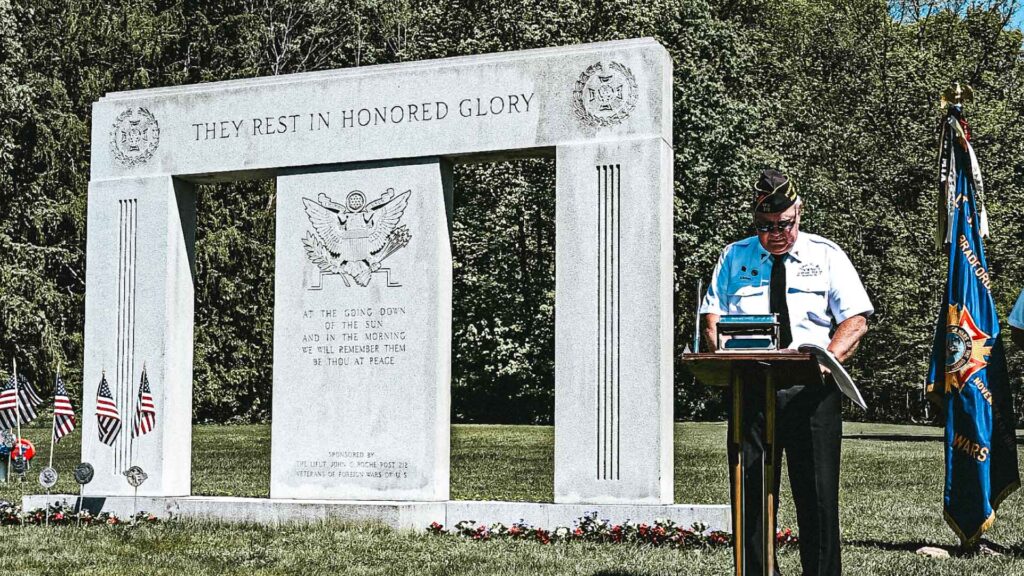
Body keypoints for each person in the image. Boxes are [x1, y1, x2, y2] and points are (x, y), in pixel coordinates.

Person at [699, 169, 873, 576]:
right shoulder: (734, 257)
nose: (775, 234)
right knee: (751, 493)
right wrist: (719, 352)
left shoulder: (827, 255)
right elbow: (711, 318)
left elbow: (857, 320)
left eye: (783, 225)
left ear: (799, 211)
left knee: (817, 495)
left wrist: (828, 360)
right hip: (751, 389)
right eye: (764, 226)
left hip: (812, 390)